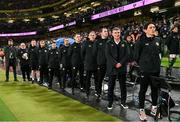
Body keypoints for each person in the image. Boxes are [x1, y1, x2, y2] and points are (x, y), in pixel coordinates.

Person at [134, 22, 161, 121]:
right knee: (143, 91)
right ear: (145, 30)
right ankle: (141, 110)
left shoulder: (158, 40)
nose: (153, 29)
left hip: (156, 71)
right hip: (145, 71)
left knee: (155, 90)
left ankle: (154, 108)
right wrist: (143, 66)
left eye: (154, 27)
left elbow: (160, 52)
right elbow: (136, 56)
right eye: (150, 27)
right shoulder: (140, 41)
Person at [105, 27, 129, 110]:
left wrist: (121, 63)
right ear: (112, 34)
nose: (117, 34)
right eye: (115, 33)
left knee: (123, 86)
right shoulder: (108, 43)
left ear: (120, 33)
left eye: (118, 32)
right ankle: (110, 102)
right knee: (111, 86)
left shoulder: (124, 43)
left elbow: (127, 54)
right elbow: (108, 55)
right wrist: (115, 64)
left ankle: (123, 102)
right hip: (112, 68)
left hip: (122, 68)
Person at [93, 27, 109, 99]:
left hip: (110, 64)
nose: (106, 32)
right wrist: (97, 63)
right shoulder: (97, 42)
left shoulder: (110, 41)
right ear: (101, 33)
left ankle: (110, 93)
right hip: (100, 64)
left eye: (107, 31)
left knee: (111, 79)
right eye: (105, 31)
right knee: (100, 79)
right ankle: (98, 92)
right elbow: (94, 53)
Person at [82, 31, 97, 99]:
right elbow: (82, 53)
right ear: (88, 36)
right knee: (88, 80)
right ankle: (87, 92)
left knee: (97, 80)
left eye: (93, 35)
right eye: (91, 35)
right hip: (88, 65)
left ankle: (97, 92)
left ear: (95, 36)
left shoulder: (97, 43)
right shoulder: (85, 43)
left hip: (96, 65)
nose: (92, 36)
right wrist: (85, 61)